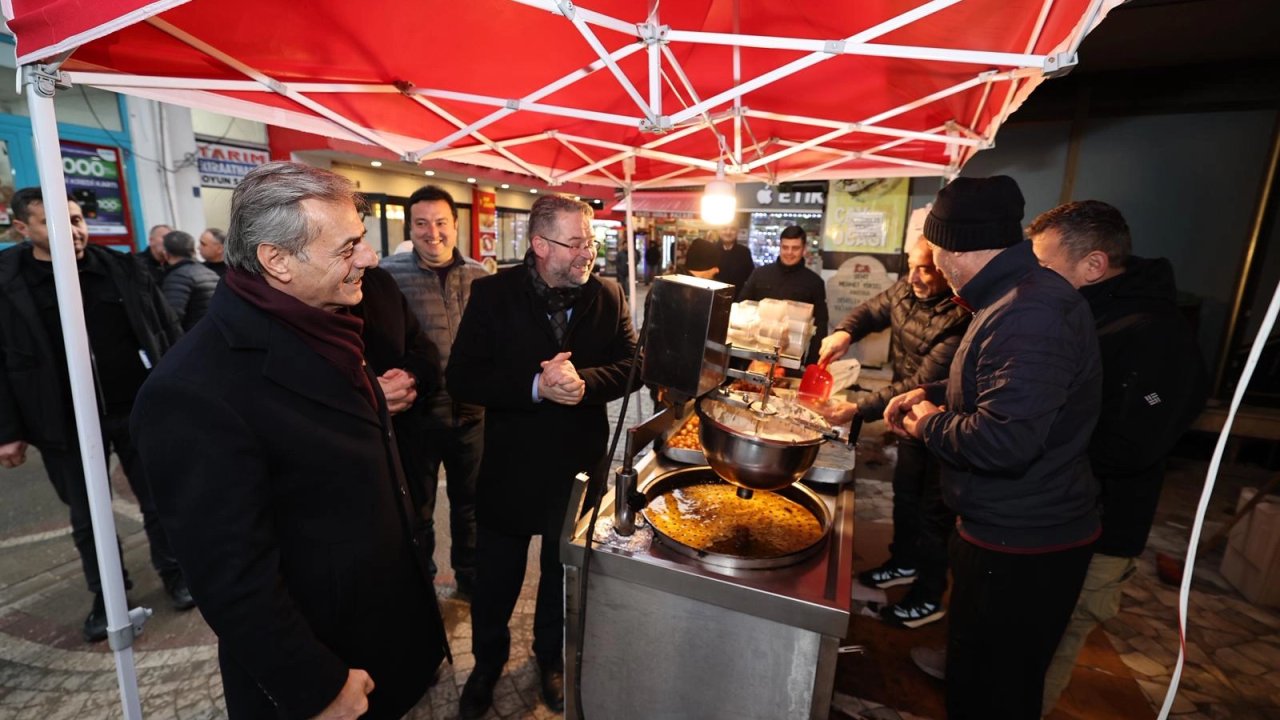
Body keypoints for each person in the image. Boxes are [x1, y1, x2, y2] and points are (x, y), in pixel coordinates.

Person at [130, 162, 448, 720]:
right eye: (348, 248)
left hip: (386, 636)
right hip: (325, 668)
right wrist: (315, 685)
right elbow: (231, 577)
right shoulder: (191, 390)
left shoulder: (331, 325)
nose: (369, 260)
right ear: (277, 260)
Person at [885, 176, 1102, 719]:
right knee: (973, 676)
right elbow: (999, 386)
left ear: (953, 248)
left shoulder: (1032, 311)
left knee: (994, 694)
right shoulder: (1010, 296)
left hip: (1024, 544)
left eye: (933, 249)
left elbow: (1006, 439)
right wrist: (930, 392)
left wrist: (927, 425)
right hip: (1000, 528)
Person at [448, 194, 636, 719]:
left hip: (577, 469)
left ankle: (549, 660)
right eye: (574, 243)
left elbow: (631, 366)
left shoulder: (609, 294)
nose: (586, 254)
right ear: (538, 244)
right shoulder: (491, 294)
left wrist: (583, 384)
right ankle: (488, 665)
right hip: (509, 466)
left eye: (590, 242)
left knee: (562, 576)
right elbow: (461, 376)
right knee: (496, 579)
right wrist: (535, 385)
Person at [1029, 200, 1209, 714]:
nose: (1035, 276)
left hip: (1101, 527)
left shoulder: (1154, 333)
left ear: (1093, 265)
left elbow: (1135, 443)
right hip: (1053, 512)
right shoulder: (1085, 311)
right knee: (1023, 629)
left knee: (1056, 639)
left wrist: (1033, 445)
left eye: (1044, 265)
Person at [0, 187, 191, 643]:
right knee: (88, 514)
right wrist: (8, 431)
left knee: (160, 498)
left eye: (77, 218)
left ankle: (176, 573)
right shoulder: (8, 284)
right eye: (54, 222)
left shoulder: (121, 268)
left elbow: (166, 330)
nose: (74, 230)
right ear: (22, 230)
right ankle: (108, 595)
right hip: (61, 421)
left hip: (137, 409)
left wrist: (182, 394)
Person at [815, 239, 969, 628]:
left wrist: (857, 409)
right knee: (905, 497)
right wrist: (844, 332)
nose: (915, 276)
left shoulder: (960, 315)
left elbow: (922, 381)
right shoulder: (906, 288)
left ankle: (929, 596)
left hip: (945, 423)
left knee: (934, 515)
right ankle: (902, 562)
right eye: (912, 266)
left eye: (926, 269)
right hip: (909, 419)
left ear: (946, 268)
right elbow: (872, 311)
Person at [381, 185, 488, 599]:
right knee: (416, 510)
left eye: (441, 222)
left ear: (456, 225)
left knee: (472, 507)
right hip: (415, 418)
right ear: (410, 227)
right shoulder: (388, 276)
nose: (433, 232)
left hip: (473, 415)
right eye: (422, 223)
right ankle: (419, 583)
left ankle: (470, 576)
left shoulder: (480, 275)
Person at [740, 225, 829, 363]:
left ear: (804, 249)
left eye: (795, 248)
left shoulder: (814, 282)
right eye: (785, 247)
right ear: (779, 246)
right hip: (755, 353)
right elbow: (742, 307)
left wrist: (813, 362)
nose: (789, 252)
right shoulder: (760, 274)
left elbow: (821, 324)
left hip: (792, 357)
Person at [161, 230, 220, 330]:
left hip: (194, 339)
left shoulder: (177, 277)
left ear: (166, 254)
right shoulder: (210, 273)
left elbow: (172, 318)